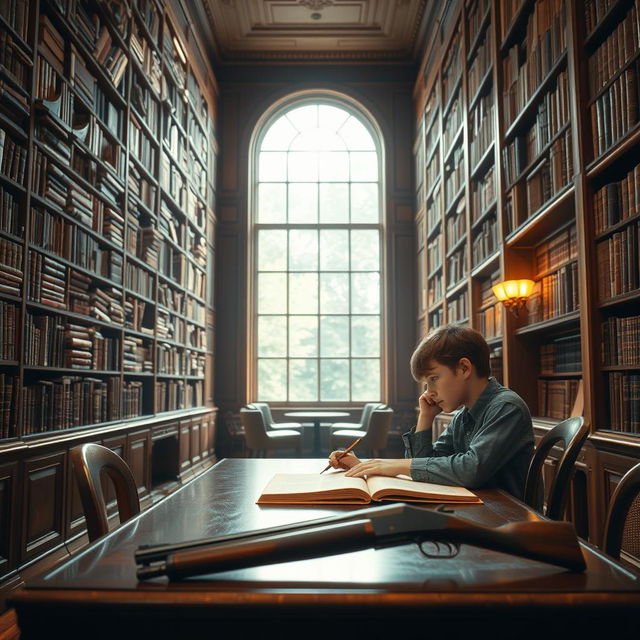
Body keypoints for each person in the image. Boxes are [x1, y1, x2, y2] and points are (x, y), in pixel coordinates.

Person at [328, 324, 535, 500]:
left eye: (433, 379)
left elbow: (471, 469)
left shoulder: (507, 407)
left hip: (506, 519)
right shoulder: (463, 416)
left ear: (464, 368)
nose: (429, 393)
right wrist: (425, 418)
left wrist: (396, 465)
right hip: (476, 507)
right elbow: (428, 461)